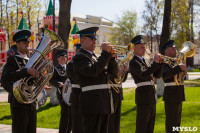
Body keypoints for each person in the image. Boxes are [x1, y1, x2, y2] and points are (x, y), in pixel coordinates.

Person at [73, 27, 118, 133]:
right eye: (92, 38)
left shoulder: (97, 58)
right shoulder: (80, 57)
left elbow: (113, 73)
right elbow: (93, 71)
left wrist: (111, 59)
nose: (95, 41)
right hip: (92, 104)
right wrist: (105, 54)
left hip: (104, 103)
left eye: (95, 38)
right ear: (82, 40)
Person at [1, 29, 39, 133]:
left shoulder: (32, 60)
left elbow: (34, 81)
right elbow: (7, 77)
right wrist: (26, 71)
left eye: (28, 42)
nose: (27, 44)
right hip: (19, 103)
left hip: (31, 102)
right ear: (17, 44)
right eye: (24, 42)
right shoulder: (12, 59)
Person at [129, 35, 163, 133]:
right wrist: (155, 63)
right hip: (143, 97)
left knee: (150, 126)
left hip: (151, 97)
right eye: (142, 47)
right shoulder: (133, 62)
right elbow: (143, 75)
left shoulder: (145, 61)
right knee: (142, 126)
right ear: (134, 48)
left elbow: (157, 75)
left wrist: (160, 64)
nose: (144, 49)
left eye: (144, 47)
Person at [162, 40, 187, 133]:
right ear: (166, 51)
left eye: (175, 48)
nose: (175, 50)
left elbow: (180, 77)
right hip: (171, 95)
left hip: (179, 93)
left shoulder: (176, 61)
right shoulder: (164, 61)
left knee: (177, 123)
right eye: (172, 49)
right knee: (171, 122)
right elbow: (165, 76)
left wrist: (184, 72)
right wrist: (179, 68)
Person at [49, 49, 72, 133]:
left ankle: (68, 131)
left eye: (65, 57)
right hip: (61, 94)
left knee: (71, 115)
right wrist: (58, 84)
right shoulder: (55, 69)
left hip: (71, 94)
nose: (63, 58)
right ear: (58, 59)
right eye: (61, 57)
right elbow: (51, 81)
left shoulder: (70, 68)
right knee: (65, 114)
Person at [67, 43, 82, 133]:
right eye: (79, 52)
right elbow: (78, 80)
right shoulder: (70, 65)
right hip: (77, 96)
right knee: (77, 125)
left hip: (87, 97)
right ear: (76, 52)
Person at [108, 67, 128, 133]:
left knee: (117, 120)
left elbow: (122, 80)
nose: (116, 55)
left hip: (119, 94)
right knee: (111, 119)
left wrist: (125, 72)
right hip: (111, 93)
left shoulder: (118, 62)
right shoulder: (108, 63)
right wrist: (117, 74)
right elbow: (106, 76)